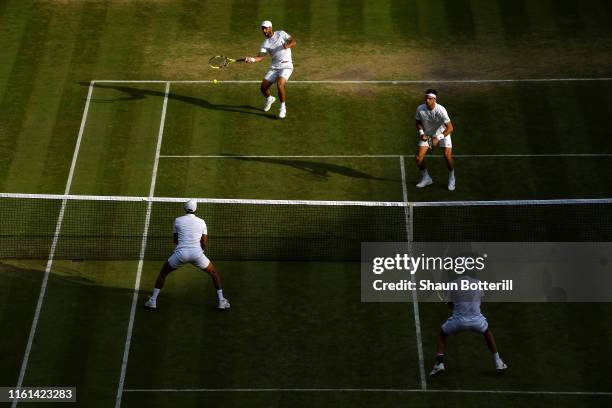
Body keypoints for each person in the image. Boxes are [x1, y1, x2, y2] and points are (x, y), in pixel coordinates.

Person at [144, 200, 230, 311]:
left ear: (185, 209)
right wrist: (198, 252)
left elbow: (176, 240)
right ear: (196, 209)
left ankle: (152, 301)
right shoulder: (202, 222)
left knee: (163, 273)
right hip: (197, 255)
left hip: (180, 255)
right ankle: (222, 301)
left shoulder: (177, 221)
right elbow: (204, 243)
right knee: (214, 273)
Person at [429, 274, 507, 376]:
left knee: (442, 334)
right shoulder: (478, 283)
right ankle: (498, 361)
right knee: (487, 332)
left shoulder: (452, 285)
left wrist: (457, 308)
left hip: (457, 321)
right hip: (477, 321)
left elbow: (449, 305)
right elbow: (480, 300)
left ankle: (439, 363)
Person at [244, 20, 296, 119]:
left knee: (280, 84)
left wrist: (287, 45)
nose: (264, 30)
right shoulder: (265, 43)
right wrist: (252, 59)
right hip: (274, 67)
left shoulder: (281, 33)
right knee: (263, 88)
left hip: (286, 65)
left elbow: (293, 41)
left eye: (265, 28)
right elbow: (260, 57)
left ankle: (283, 108)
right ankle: (270, 99)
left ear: (270, 28)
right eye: (262, 28)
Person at [415, 89, 456, 191]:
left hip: (443, 133)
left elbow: (450, 128)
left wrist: (438, 138)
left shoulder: (441, 110)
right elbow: (418, 122)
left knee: (447, 156)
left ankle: (452, 177)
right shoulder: (420, 108)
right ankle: (426, 178)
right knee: (419, 157)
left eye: (429, 99)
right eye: (426, 98)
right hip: (428, 133)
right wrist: (421, 133)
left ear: (434, 99)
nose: (427, 100)